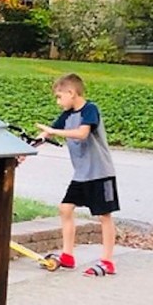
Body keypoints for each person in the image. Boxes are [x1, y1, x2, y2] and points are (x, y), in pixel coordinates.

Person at [36, 73, 119, 277]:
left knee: (104, 215)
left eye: (59, 96)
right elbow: (45, 135)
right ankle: (67, 256)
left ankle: (107, 261)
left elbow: (82, 134)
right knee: (65, 208)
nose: (58, 102)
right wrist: (24, 151)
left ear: (71, 93)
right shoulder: (67, 114)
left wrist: (54, 132)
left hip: (100, 173)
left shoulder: (90, 110)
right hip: (81, 174)